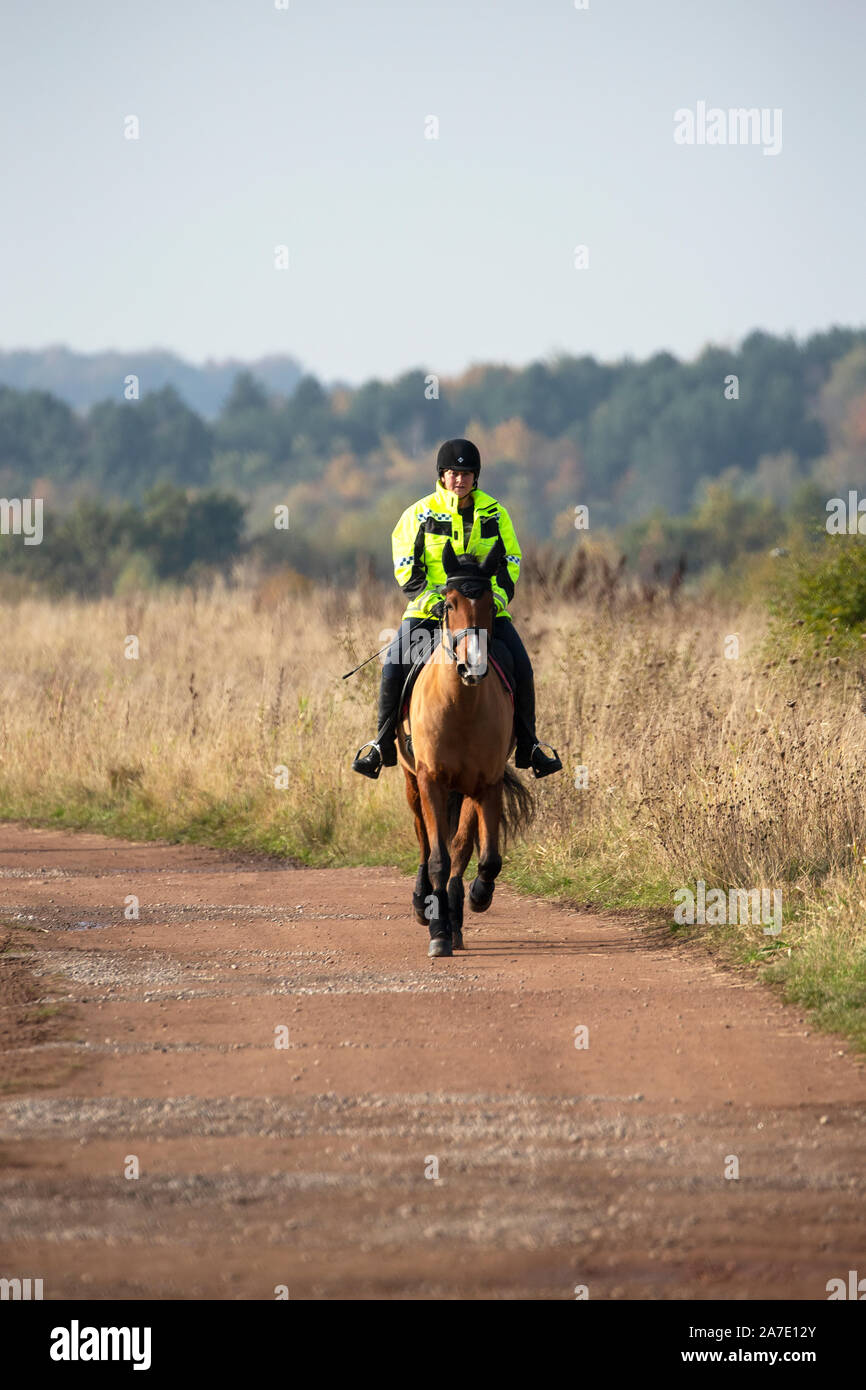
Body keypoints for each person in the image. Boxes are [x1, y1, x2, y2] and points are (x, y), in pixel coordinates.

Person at [351, 438, 562, 780]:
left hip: (483, 613)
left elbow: (510, 560)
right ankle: (380, 746)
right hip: (429, 612)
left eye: (466, 473)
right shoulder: (418, 515)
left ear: (475, 477)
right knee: (393, 664)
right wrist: (434, 601)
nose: (459, 479)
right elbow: (406, 567)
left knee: (522, 666)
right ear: (442, 476)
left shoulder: (495, 513)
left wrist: (496, 600)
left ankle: (529, 746)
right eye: (453, 473)